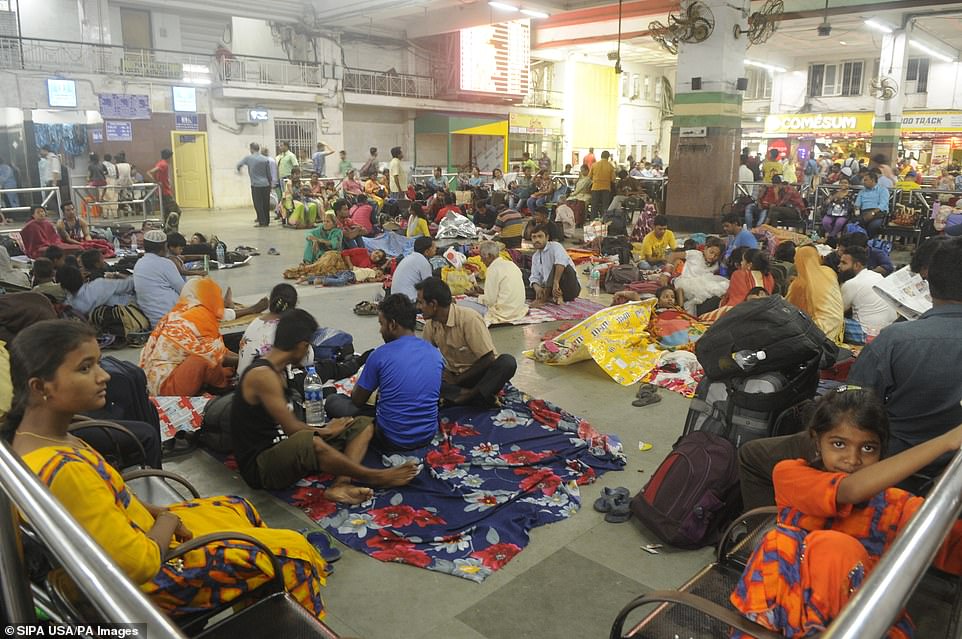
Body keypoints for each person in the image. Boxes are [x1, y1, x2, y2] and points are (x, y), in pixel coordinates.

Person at [5, 319, 331, 619]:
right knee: (294, 555)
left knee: (237, 506)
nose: (103, 375)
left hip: (131, 537)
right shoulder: (63, 470)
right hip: (140, 586)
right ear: (40, 387)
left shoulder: (40, 439)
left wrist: (154, 511)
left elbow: (108, 496)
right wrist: (167, 519)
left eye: (99, 363)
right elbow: (140, 564)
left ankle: (258, 609)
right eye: (85, 368)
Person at [731, 387, 962, 637]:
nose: (852, 459)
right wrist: (945, 442)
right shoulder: (791, 476)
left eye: (868, 448)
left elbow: (952, 546)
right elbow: (849, 491)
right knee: (831, 546)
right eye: (839, 444)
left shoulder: (894, 507)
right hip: (780, 605)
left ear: (881, 451)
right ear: (817, 441)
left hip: (853, 620)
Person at [234, 308, 417, 499]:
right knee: (309, 441)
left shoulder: (280, 370)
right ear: (301, 346)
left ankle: (341, 484)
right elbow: (292, 429)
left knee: (363, 425)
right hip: (262, 466)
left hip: (288, 450)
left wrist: (329, 429)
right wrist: (328, 430)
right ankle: (377, 477)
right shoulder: (262, 375)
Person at [334, 294, 445, 451]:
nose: (380, 330)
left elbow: (358, 400)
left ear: (392, 325)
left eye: (381, 324)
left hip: (392, 438)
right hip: (427, 434)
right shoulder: (435, 353)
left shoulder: (380, 355)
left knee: (335, 401)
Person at [417, 277, 517, 407]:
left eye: (420, 302)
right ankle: (477, 397)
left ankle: (466, 396)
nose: (418, 307)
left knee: (507, 362)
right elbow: (425, 357)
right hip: (454, 378)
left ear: (433, 305)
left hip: (477, 375)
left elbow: (488, 358)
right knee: (422, 378)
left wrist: (457, 379)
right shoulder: (431, 325)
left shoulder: (469, 319)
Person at [139, 278, 237, 396]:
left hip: (154, 380)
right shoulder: (199, 316)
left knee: (212, 356)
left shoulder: (181, 311)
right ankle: (223, 387)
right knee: (201, 361)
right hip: (167, 386)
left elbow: (219, 350)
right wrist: (248, 359)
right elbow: (214, 356)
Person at [786, 244, 844, 344]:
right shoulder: (829, 272)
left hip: (817, 333)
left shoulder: (798, 284)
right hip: (838, 330)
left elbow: (788, 308)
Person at [838, 246, 897, 344]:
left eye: (844, 263)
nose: (839, 266)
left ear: (857, 265)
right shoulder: (877, 276)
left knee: (832, 320)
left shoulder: (852, 283)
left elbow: (839, 310)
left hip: (867, 335)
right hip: (888, 332)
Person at [464, 240, 527, 325]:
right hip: (518, 310)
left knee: (460, 305)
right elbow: (501, 291)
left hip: (503, 313)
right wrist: (481, 292)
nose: (481, 261)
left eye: (482, 257)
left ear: (489, 256)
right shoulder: (511, 264)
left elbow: (490, 301)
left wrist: (474, 295)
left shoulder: (492, 269)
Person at [133, 230, 185, 327]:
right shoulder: (166, 263)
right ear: (164, 247)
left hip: (154, 321)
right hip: (172, 319)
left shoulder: (139, 264)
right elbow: (184, 291)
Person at [529, 226, 580, 306]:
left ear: (547, 237)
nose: (537, 240)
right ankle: (554, 296)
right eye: (534, 237)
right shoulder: (535, 256)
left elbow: (561, 263)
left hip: (568, 287)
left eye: (540, 236)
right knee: (523, 280)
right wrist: (537, 288)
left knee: (558, 266)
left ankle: (543, 299)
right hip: (550, 289)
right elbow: (534, 276)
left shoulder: (555, 246)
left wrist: (556, 282)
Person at [57, 265, 135, 317]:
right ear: (81, 277)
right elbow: (129, 285)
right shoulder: (98, 285)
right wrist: (118, 275)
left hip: (110, 324)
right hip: (130, 312)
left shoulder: (71, 305)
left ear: (62, 286)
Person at [237, 142, 272, 227]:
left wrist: (239, 171)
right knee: (266, 203)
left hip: (256, 185)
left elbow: (239, 165)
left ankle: (262, 222)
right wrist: (270, 184)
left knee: (258, 204)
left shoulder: (248, 158)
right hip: (266, 184)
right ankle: (267, 221)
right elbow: (269, 174)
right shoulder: (265, 159)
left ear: (251, 149)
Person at [391, 236, 435, 302]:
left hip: (396, 300)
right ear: (427, 251)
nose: (436, 249)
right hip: (408, 302)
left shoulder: (409, 257)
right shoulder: (423, 261)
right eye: (433, 247)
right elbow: (429, 286)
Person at [147, 149, 180, 233]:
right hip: (165, 192)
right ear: (169, 157)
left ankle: (167, 229)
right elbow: (150, 172)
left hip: (163, 191)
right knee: (176, 211)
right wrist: (157, 182)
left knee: (167, 211)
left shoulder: (160, 162)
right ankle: (173, 229)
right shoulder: (163, 164)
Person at [854, 171, 889, 238]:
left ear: (872, 180)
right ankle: (861, 243)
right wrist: (857, 212)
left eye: (866, 180)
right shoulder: (862, 192)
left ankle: (868, 243)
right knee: (854, 224)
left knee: (873, 226)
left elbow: (883, 204)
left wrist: (872, 213)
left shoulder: (882, 190)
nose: (863, 182)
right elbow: (857, 205)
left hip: (878, 213)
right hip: (864, 213)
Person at [588, 150, 615, 219]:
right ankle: (604, 220)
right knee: (605, 206)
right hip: (606, 188)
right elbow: (613, 179)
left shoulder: (594, 165)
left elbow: (589, 176)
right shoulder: (610, 166)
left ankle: (593, 219)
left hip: (595, 187)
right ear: (608, 157)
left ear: (601, 156)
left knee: (594, 205)